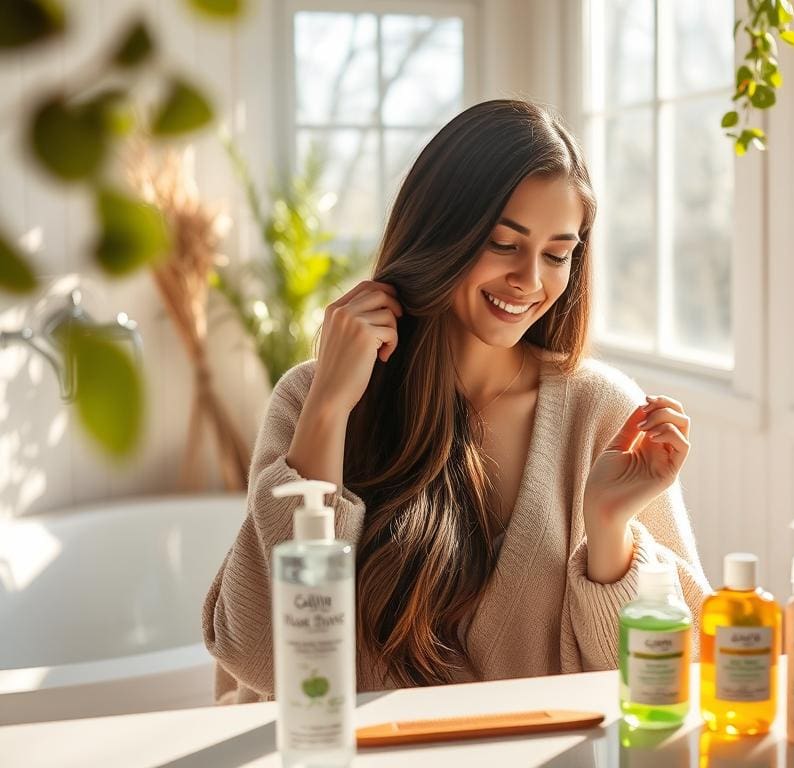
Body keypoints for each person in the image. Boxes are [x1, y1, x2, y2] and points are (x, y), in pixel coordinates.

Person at [202, 99, 710, 704]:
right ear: (441, 233)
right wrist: (330, 410)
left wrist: (609, 530)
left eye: (557, 254)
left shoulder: (602, 412)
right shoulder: (310, 399)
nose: (530, 280)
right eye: (503, 244)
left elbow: (673, 671)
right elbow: (262, 655)